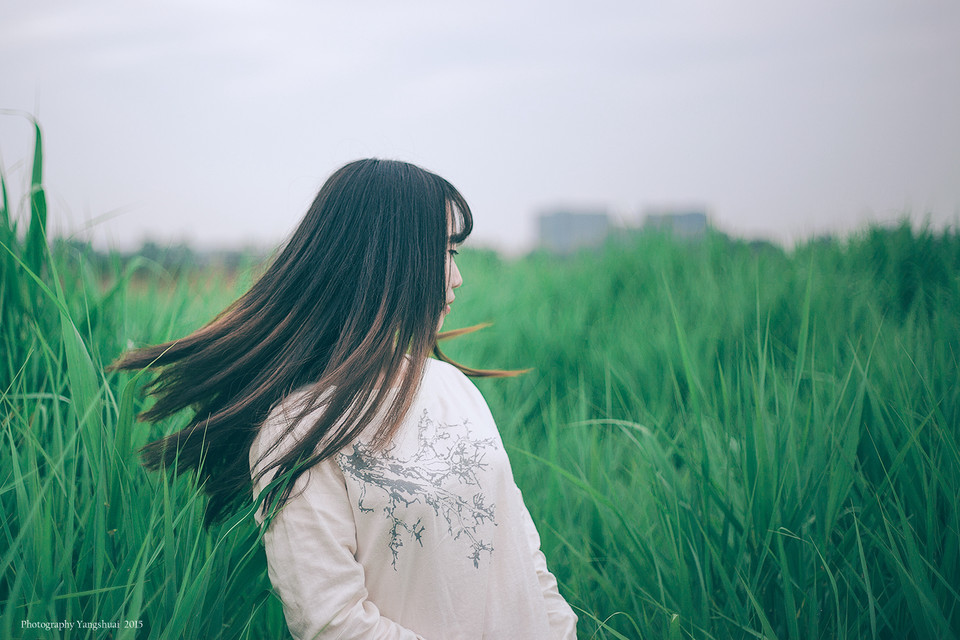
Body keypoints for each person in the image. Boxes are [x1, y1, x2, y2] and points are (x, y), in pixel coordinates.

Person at [112, 159, 578, 639]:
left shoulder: (453, 387)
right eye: (444, 252)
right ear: (388, 260)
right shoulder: (299, 431)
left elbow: (522, 552)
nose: (456, 278)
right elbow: (334, 624)